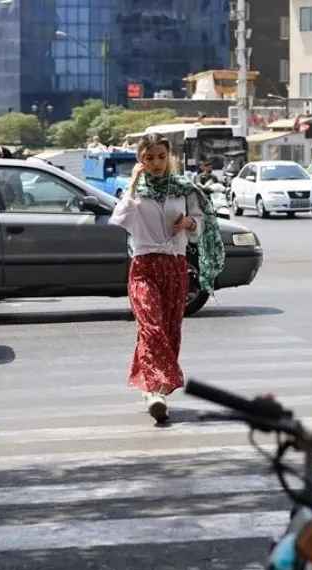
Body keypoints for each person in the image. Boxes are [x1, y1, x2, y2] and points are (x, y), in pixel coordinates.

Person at [109, 133, 226, 423]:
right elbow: (118, 219)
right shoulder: (134, 192)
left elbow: (200, 224)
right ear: (139, 160)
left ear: (169, 157)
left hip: (175, 266)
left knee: (170, 330)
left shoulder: (184, 189)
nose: (156, 163)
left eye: (161, 156)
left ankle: (154, 391)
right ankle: (156, 389)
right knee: (151, 327)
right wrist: (134, 184)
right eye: (149, 157)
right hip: (145, 266)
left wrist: (187, 223)